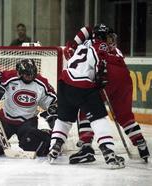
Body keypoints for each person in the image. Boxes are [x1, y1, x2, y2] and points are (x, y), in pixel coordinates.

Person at [64, 26, 150, 164]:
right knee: (124, 115)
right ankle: (140, 142)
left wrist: (72, 46)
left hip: (107, 75)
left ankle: (86, 147)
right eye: (109, 37)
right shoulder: (117, 51)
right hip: (124, 78)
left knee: (86, 109)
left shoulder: (91, 44)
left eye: (111, 38)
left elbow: (85, 34)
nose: (111, 40)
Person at [48, 24, 125, 169]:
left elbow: (87, 30)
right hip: (82, 85)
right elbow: (100, 63)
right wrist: (101, 77)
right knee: (98, 118)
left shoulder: (83, 44)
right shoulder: (101, 46)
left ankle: (54, 147)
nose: (110, 39)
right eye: (108, 36)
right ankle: (108, 153)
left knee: (63, 119)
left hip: (64, 82)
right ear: (102, 37)